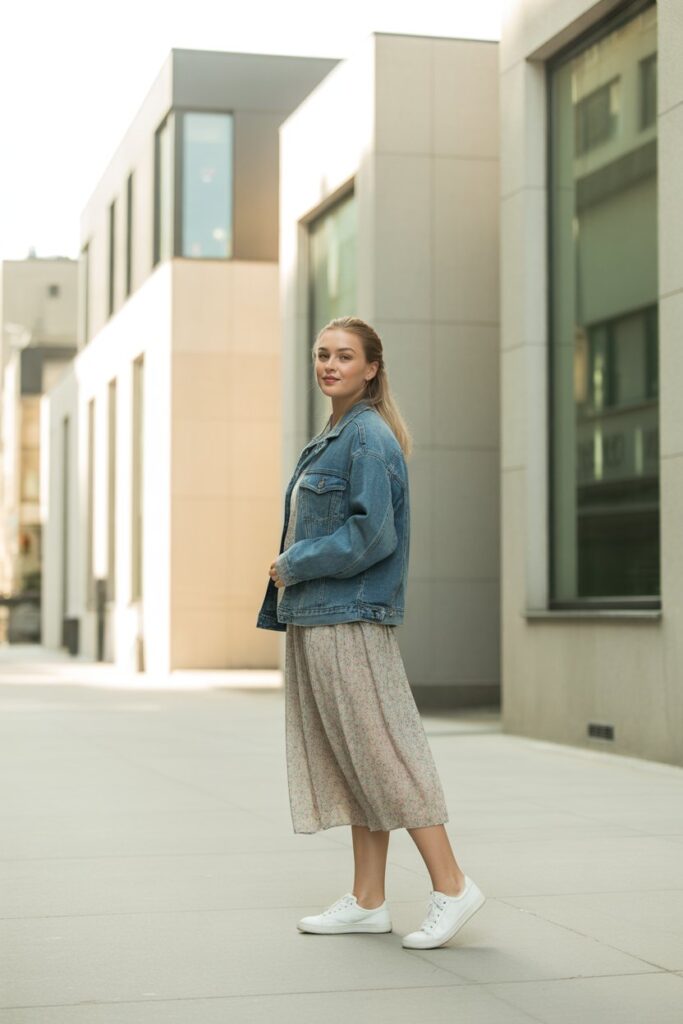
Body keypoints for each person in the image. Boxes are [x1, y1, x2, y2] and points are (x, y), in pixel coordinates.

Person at [256, 316, 485, 949]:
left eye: (345, 356)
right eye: (322, 354)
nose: (330, 364)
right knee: (354, 758)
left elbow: (371, 535)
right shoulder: (334, 434)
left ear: (371, 368)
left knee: (384, 754)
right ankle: (367, 899)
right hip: (317, 617)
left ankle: (453, 884)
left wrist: (291, 562)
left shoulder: (367, 439)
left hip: (347, 620)